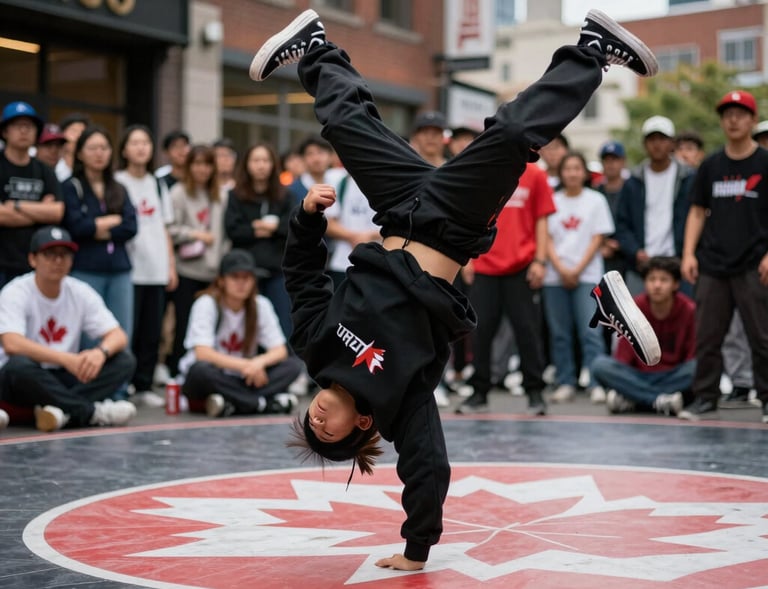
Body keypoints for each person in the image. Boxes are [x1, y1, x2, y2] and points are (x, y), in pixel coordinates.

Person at [249, 8, 659, 570]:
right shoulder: (400, 401)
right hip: (452, 222)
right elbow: (427, 467)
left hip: (397, 211)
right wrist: (417, 550)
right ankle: (591, 50)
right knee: (513, 134)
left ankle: (314, 45)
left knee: (346, 127)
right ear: (360, 427)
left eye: (311, 424)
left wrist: (306, 221)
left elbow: (302, 278)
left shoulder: (315, 347)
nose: (318, 421)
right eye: (329, 435)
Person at [679, 90, 768, 424]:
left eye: (740, 113)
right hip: (713, 263)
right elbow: (698, 211)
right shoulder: (711, 165)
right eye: (727, 113)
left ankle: (767, 398)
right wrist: (688, 253)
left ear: (751, 119)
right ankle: (705, 398)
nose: (733, 119)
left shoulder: (764, 162)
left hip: (754, 262)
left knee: (761, 336)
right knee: (708, 336)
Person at [0, 226, 136, 432]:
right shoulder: (15, 291)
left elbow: (118, 335)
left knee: (124, 360)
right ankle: (90, 412)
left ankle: (59, 411)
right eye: (49, 255)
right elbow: (11, 344)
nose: (57, 261)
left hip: (64, 375)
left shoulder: (79, 291)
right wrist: (67, 359)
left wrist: (100, 353)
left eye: (64, 255)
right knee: (18, 366)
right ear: (33, 259)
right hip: (27, 378)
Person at [456, 162, 553, 415]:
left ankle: (535, 392)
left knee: (527, 331)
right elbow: (468, 217)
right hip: (485, 265)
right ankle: (479, 392)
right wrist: (466, 258)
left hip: (521, 266)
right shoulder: (484, 170)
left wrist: (540, 261)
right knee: (480, 332)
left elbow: (541, 220)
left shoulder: (536, 175)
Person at [179, 249, 302, 416]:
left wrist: (258, 363)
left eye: (247, 277)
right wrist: (246, 365)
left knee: (293, 365)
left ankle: (232, 403)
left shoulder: (260, 304)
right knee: (200, 370)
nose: (241, 283)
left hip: (244, 378)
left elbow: (280, 350)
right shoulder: (206, 303)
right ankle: (262, 403)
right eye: (235, 277)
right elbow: (203, 353)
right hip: (217, 376)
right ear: (221, 281)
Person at [543, 151, 614, 403]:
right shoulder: (552, 199)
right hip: (554, 276)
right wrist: (561, 268)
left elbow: (598, 238)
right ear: (561, 172)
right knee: (560, 333)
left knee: (591, 332)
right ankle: (565, 381)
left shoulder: (596, 200)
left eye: (577, 168)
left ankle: (597, 382)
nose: (572, 173)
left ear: (584, 172)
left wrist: (577, 269)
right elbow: (546, 237)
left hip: (588, 275)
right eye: (568, 168)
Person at [114, 125, 177, 406]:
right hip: (129, 267)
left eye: (145, 143)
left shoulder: (157, 182)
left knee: (153, 331)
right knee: (129, 329)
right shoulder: (117, 181)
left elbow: (164, 228)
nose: (140, 148)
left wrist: (170, 267)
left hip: (156, 268)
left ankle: (144, 385)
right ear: (124, 149)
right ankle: (122, 383)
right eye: (134, 143)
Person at [61, 126, 138, 342]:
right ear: (80, 153)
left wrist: (95, 227)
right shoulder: (71, 186)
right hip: (86, 268)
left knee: (122, 333)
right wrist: (110, 223)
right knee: (89, 334)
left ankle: (121, 377)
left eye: (104, 148)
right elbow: (76, 227)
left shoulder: (119, 187)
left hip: (120, 269)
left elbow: (131, 227)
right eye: (93, 148)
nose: (99, 153)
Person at [592, 256, 695, 415]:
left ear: (676, 284)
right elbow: (623, 357)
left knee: (699, 367)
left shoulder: (688, 310)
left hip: (672, 376)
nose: (657, 285)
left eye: (664, 280)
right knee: (600, 365)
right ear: (645, 283)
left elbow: (692, 357)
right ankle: (659, 401)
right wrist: (622, 378)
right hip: (638, 376)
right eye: (652, 279)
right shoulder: (635, 307)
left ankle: (635, 399)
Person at [167, 144, 229, 376]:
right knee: (183, 324)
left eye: (207, 164)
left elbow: (225, 234)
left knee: (213, 325)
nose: (202, 169)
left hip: (214, 273)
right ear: (189, 166)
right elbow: (170, 229)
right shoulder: (179, 193)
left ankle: (208, 371)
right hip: (188, 271)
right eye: (197, 163)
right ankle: (177, 371)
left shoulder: (221, 195)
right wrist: (195, 234)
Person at [616, 115, 694, 295]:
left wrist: (688, 252)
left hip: (679, 263)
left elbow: (696, 217)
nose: (657, 144)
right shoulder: (633, 181)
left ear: (672, 143)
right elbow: (622, 224)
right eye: (651, 139)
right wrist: (635, 251)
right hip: (641, 265)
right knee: (635, 320)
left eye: (662, 139)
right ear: (644, 144)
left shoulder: (688, 178)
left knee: (685, 319)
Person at [225, 142, 294, 337]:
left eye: (265, 160)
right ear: (246, 164)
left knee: (282, 323)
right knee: (248, 324)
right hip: (245, 271)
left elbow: (293, 226)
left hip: (278, 270)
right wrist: (256, 230)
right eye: (256, 160)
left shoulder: (285, 195)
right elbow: (233, 230)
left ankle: (282, 364)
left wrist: (272, 227)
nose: (261, 165)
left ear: (273, 164)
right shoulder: (235, 195)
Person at [0, 101, 63, 288]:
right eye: (18, 125)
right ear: (5, 131)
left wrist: (16, 206)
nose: (24, 131)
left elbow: (56, 212)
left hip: (35, 264)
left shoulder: (45, 170)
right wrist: (39, 212)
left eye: (29, 126)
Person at [55, 113, 90, 182]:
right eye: (74, 131)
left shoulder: (89, 164)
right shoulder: (52, 159)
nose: (78, 135)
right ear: (62, 133)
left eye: (82, 132)